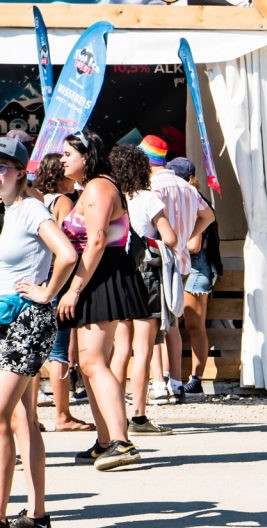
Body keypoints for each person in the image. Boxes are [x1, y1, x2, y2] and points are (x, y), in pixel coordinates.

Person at [0, 134, 75, 528]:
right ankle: (38, 515)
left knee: (1, 415)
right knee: (21, 418)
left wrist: (48, 292)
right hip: (6, 319)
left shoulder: (31, 209)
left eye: (2, 167)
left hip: (27, 320)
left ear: (20, 173)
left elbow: (67, 254)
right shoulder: (8, 211)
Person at [57, 129, 144, 471]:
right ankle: (106, 440)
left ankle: (121, 441)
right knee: (88, 362)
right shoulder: (93, 187)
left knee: (94, 362)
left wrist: (74, 289)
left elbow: (96, 240)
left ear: (86, 156)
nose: (62, 160)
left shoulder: (98, 187)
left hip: (101, 276)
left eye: (68, 154)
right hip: (95, 275)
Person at [112, 145, 176, 436]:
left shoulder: (113, 198)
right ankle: (138, 417)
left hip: (118, 275)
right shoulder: (148, 198)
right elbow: (170, 237)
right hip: (145, 274)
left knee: (120, 350)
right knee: (143, 350)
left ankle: (114, 415)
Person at [31, 155, 85, 434]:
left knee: (33, 350)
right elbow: (67, 242)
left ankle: (32, 416)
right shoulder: (63, 202)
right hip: (56, 277)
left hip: (36, 277)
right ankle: (63, 415)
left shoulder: (36, 201)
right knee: (58, 350)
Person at [163, 157, 216, 401]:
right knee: (177, 324)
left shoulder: (193, 198)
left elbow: (194, 245)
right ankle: (176, 378)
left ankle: (195, 379)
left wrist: (172, 240)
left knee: (192, 325)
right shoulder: (186, 197)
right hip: (186, 266)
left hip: (195, 267)